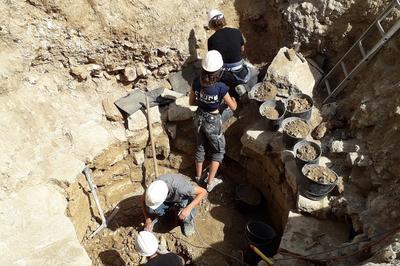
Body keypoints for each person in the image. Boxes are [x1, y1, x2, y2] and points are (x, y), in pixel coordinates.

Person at [189, 50, 237, 192]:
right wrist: (233, 101)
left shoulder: (196, 82)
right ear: (219, 70)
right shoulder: (221, 87)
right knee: (218, 151)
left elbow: (192, 102)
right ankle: (210, 183)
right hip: (212, 120)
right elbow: (233, 107)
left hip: (198, 117)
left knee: (200, 146)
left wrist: (204, 102)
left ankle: (198, 177)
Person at [143, 174, 207, 236]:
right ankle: (164, 216)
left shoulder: (182, 188)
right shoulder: (152, 190)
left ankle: (188, 222)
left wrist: (188, 209)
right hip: (168, 199)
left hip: (181, 198)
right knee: (150, 209)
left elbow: (203, 192)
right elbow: (142, 200)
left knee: (186, 215)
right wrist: (147, 219)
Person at [207, 9, 251, 99]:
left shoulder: (211, 40)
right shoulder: (236, 32)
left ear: (211, 24)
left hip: (224, 75)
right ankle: (241, 87)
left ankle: (226, 94)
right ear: (223, 20)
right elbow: (242, 49)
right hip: (240, 72)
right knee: (252, 71)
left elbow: (213, 60)